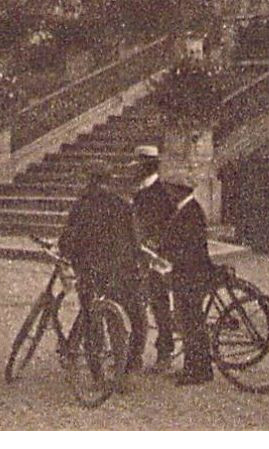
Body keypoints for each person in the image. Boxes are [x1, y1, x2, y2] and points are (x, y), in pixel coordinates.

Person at [60, 168, 149, 379]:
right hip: (120, 271)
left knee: (92, 320)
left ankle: (97, 372)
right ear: (109, 181)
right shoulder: (122, 205)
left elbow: (69, 239)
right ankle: (130, 364)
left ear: (90, 181)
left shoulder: (82, 205)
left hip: (90, 271)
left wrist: (68, 256)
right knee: (135, 316)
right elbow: (135, 240)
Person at [159, 180, 216, 386]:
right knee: (188, 321)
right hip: (187, 273)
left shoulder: (190, 212)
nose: (169, 194)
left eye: (172, 190)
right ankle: (194, 366)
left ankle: (197, 370)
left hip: (190, 274)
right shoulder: (186, 210)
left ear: (180, 190)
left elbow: (190, 248)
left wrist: (169, 257)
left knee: (191, 322)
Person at [130, 145, 178, 372]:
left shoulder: (160, 193)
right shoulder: (142, 191)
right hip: (144, 257)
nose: (134, 170)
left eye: (138, 165)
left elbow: (168, 225)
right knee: (144, 305)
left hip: (157, 259)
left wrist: (153, 246)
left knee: (158, 305)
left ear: (146, 166)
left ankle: (164, 352)